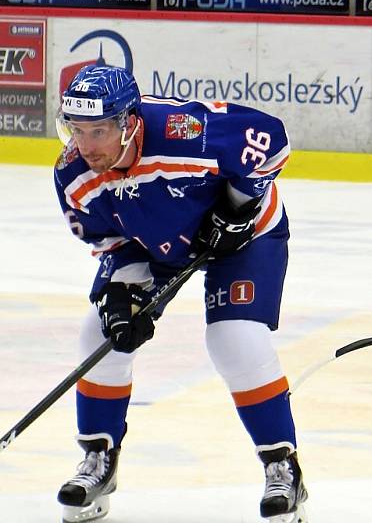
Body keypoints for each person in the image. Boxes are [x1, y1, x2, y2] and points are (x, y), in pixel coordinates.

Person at [53, 64, 308, 523]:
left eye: (98, 131)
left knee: (235, 341)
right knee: (101, 334)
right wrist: (121, 294)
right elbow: (109, 239)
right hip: (157, 246)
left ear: (129, 121)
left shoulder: (183, 133)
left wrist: (235, 207)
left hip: (244, 239)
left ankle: (282, 467)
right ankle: (99, 460)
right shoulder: (73, 174)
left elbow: (271, 137)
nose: (85, 146)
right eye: (76, 130)